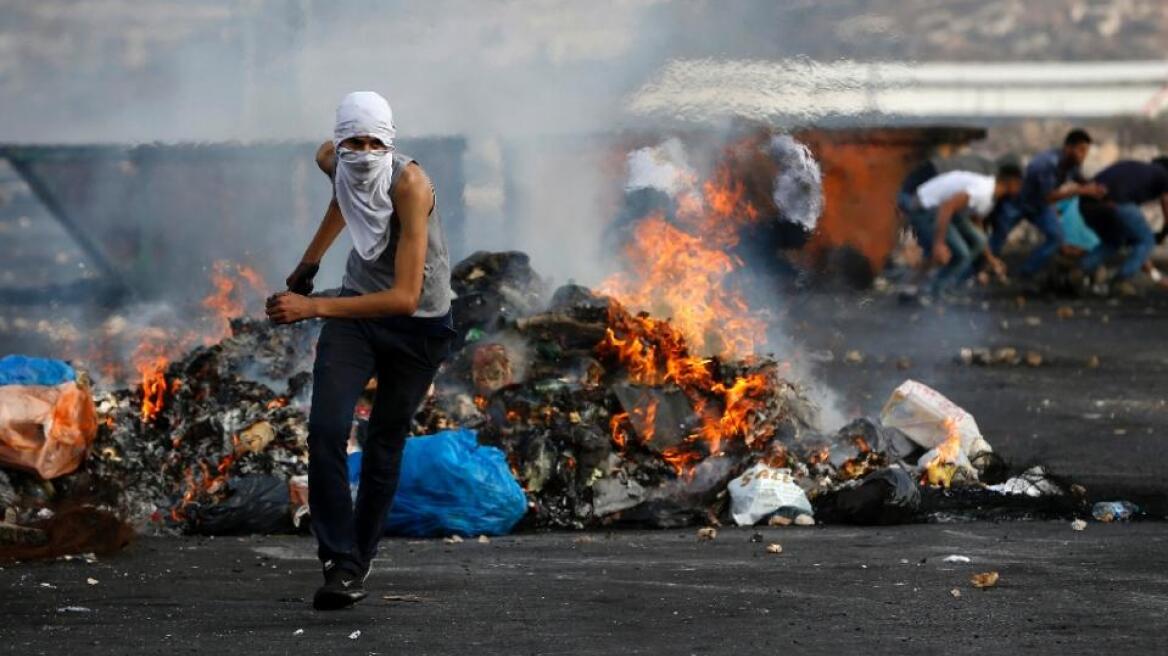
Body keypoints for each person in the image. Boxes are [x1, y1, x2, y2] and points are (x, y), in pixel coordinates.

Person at [266, 91, 456, 611]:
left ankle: (359, 559)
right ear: (339, 141)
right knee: (326, 430)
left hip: (416, 325)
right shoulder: (333, 159)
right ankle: (337, 561)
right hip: (357, 315)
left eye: (376, 143)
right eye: (354, 141)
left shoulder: (410, 184)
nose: (364, 152)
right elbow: (343, 197)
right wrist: (310, 263)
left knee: (384, 443)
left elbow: (404, 297)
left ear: (390, 142)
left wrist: (313, 308)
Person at [993, 129, 1106, 276]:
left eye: (1085, 151)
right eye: (1081, 150)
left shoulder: (1072, 163)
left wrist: (1095, 186)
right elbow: (1048, 197)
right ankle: (976, 271)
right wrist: (1080, 191)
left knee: (1056, 238)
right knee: (998, 237)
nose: (1083, 155)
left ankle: (1025, 273)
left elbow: (1078, 178)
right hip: (1019, 202)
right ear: (1068, 148)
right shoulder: (1046, 163)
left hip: (1039, 206)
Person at [906, 164, 1023, 294]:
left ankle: (949, 280)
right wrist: (939, 243)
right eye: (1020, 186)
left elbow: (976, 225)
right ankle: (934, 291)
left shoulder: (989, 194)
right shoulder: (983, 192)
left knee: (978, 241)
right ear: (1012, 183)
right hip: (926, 206)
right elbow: (947, 207)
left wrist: (991, 260)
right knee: (960, 253)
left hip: (944, 208)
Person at [1078, 157, 1168, 292]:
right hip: (1115, 201)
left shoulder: (1136, 172)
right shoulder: (1162, 174)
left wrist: (1156, 277)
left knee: (1114, 241)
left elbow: (1139, 252)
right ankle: (1120, 281)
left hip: (1087, 204)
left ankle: (1079, 270)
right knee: (1146, 240)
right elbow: (1166, 205)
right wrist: (1163, 233)